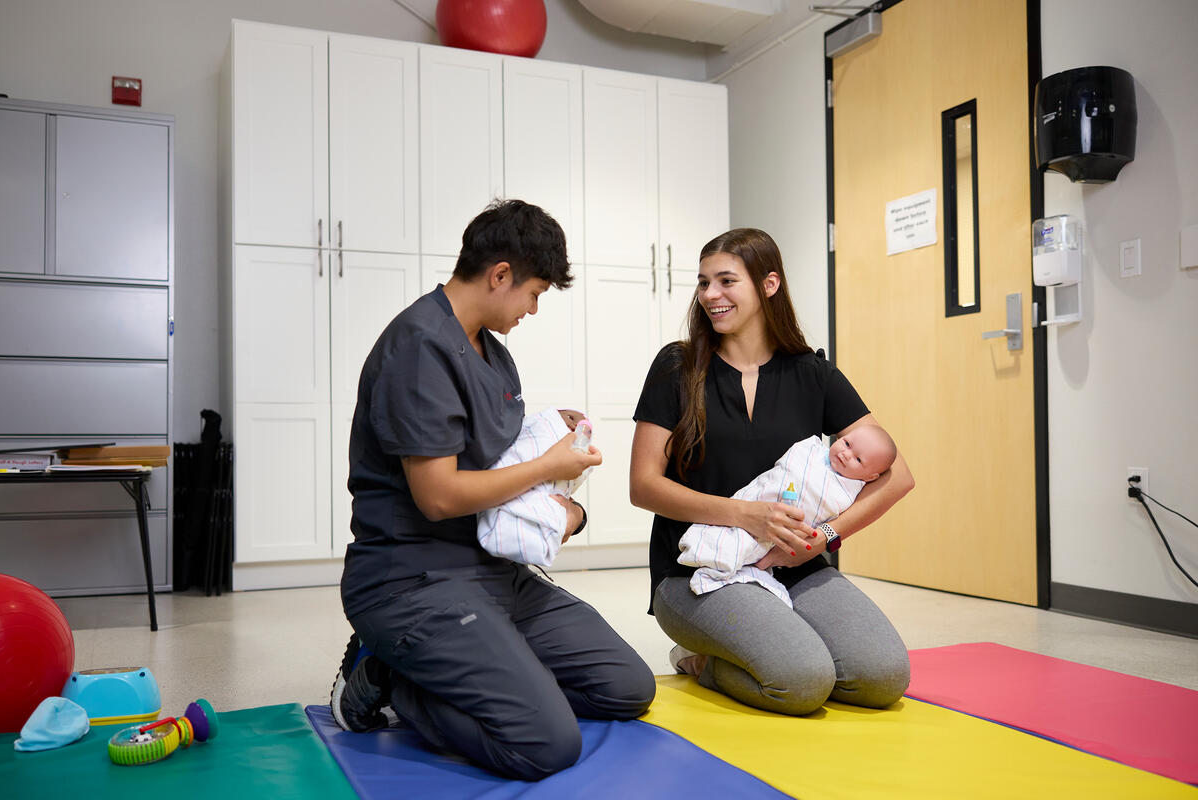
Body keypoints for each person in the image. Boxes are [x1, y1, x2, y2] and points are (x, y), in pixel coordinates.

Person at [332, 200, 656, 780]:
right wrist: (546, 467)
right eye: (533, 293)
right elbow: (438, 496)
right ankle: (394, 680)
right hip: (410, 581)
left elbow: (494, 454)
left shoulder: (492, 353)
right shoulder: (419, 347)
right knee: (545, 744)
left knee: (627, 688)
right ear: (500, 274)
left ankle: (485, 668)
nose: (533, 309)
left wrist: (552, 434)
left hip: (489, 571)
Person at [629, 227, 915, 716]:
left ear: (769, 284)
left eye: (725, 281)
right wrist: (746, 516)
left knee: (882, 677)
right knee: (801, 680)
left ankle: (770, 645)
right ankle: (699, 661)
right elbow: (643, 486)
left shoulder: (813, 373)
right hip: (696, 573)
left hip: (790, 567)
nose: (710, 295)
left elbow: (898, 475)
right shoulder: (677, 366)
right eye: (703, 283)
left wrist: (824, 535)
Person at [678, 425, 897, 607]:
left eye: (858, 459)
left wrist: (825, 535)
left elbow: (824, 510)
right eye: (847, 443)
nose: (845, 453)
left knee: (752, 549)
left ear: (870, 476)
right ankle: (711, 549)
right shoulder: (811, 451)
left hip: (785, 541)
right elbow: (783, 470)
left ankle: (725, 560)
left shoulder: (847, 492)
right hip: (754, 505)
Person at [477, 408, 594, 567]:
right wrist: (548, 466)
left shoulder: (508, 390)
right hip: (463, 558)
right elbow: (442, 499)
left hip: (509, 564)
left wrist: (578, 516)